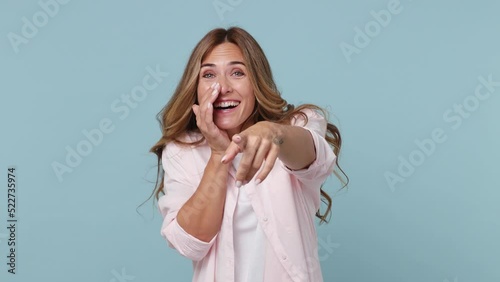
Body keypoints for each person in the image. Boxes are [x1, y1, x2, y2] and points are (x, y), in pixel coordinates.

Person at [149, 26, 347, 282]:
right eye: (209, 75)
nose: (222, 87)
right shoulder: (182, 150)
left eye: (237, 73)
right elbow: (190, 244)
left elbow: (314, 158)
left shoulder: (297, 127)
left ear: (256, 82)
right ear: (195, 88)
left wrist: (274, 133)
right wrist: (218, 153)